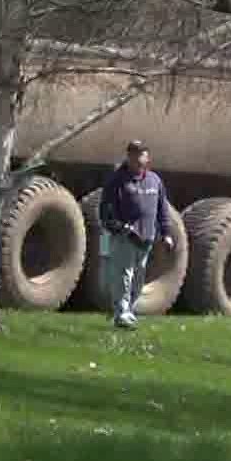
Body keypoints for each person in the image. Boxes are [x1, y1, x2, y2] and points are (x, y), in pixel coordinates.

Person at [97, 140, 176, 330]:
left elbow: (162, 209)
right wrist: (119, 228)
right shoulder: (116, 180)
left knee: (138, 278)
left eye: (141, 154)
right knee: (124, 275)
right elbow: (105, 210)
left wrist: (166, 233)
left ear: (147, 158)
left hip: (146, 237)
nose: (137, 158)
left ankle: (128, 310)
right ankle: (121, 313)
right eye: (133, 154)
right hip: (125, 236)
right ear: (128, 157)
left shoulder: (155, 180)